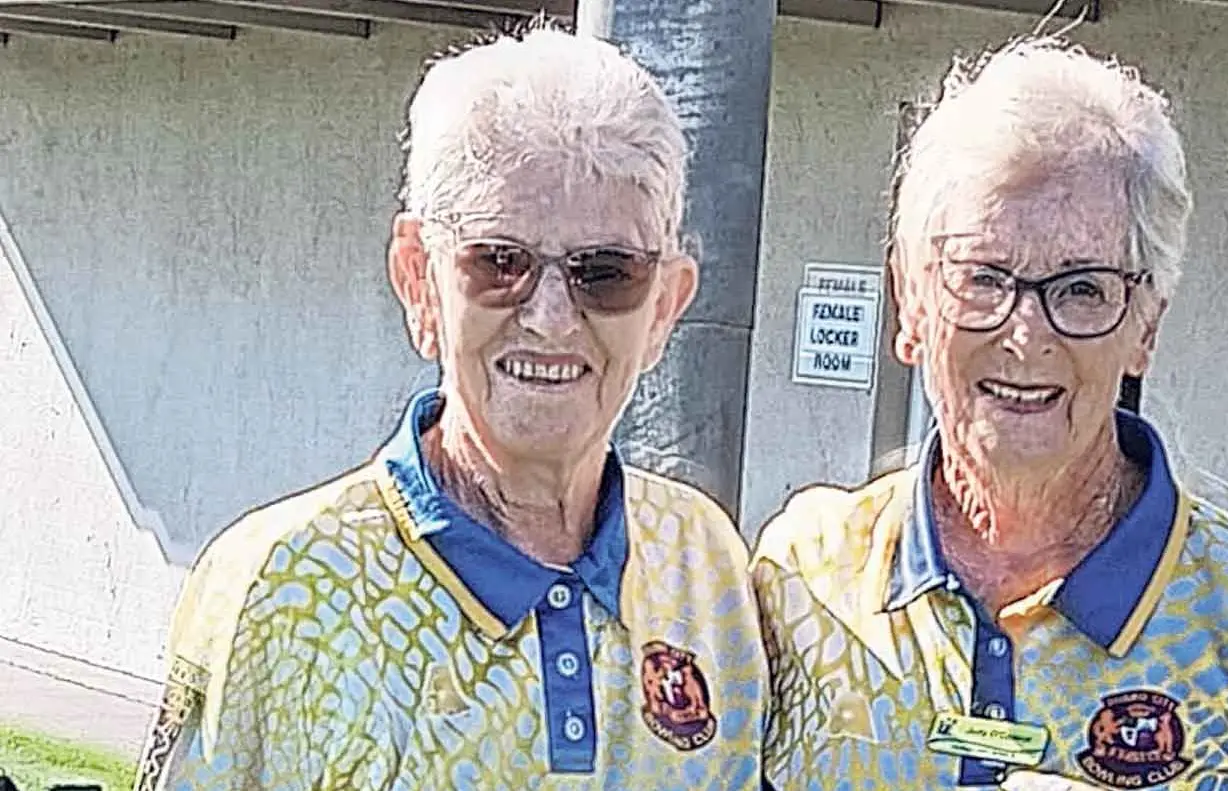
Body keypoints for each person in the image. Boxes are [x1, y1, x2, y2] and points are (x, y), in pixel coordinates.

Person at [133, 23, 766, 790]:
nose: (551, 317)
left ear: (665, 305)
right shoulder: (282, 581)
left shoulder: (707, 562)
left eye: (606, 272)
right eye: (500, 262)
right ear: (418, 279)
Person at [752, 35, 1228, 791]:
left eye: (1080, 287)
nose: (1025, 334)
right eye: (981, 277)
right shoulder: (803, 576)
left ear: (1144, 324)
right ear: (910, 302)